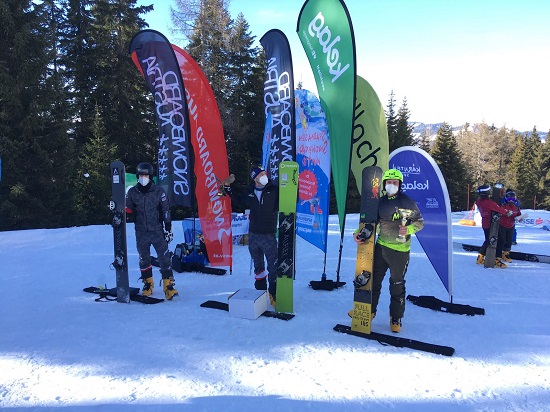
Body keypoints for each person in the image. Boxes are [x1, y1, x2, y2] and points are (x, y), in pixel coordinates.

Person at [353, 169, 424, 333]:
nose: (392, 185)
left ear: (400, 185)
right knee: (374, 282)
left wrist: (410, 229)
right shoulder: (380, 202)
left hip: (400, 251)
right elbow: (369, 221)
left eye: (395, 183)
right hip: (381, 248)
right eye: (389, 182)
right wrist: (357, 233)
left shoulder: (407, 202)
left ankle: (395, 317)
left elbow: (420, 222)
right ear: (384, 184)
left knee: (397, 285)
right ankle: (369, 312)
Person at [224, 165, 279, 304]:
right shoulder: (250, 191)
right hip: (254, 235)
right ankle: (260, 294)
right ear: (255, 178)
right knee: (258, 266)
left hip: (268, 235)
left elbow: (289, 201)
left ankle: (274, 293)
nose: (265, 176)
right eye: (261, 175)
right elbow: (239, 201)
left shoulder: (274, 189)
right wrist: (228, 190)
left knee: (273, 266)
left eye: (264, 173)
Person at [126, 162, 178, 300]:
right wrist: (119, 209)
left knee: (164, 257)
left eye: (146, 175)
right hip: (141, 231)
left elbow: (165, 209)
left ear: (150, 176)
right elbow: (128, 209)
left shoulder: (158, 191)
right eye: (141, 175)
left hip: (157, 231)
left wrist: (168, 227)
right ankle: (148, 283)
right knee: (144, 258)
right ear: (138, 176)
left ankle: (168, 285)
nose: (144, 177)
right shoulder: (132, 192)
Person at [474, 184, 513, 269]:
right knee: (500, 240)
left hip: (485, 223)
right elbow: (499, 209)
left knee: (488, 240)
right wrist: (507, 212)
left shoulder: (479, 200)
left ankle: (480, 257)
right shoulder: (489, 203)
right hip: (491, 225)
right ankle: (496, 259)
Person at [499, 189, 521, 263]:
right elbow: (500, 212)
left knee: (509, 241)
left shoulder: (516, 206)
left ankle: (505, 254)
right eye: (509, 199)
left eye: (512, 199)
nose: (511, 200)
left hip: (511, 225)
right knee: (502, 240)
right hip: (502, 225)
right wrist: (506, 213)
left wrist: (520, 218)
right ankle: (498, 255)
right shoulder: (504, 205)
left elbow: (518, 214)